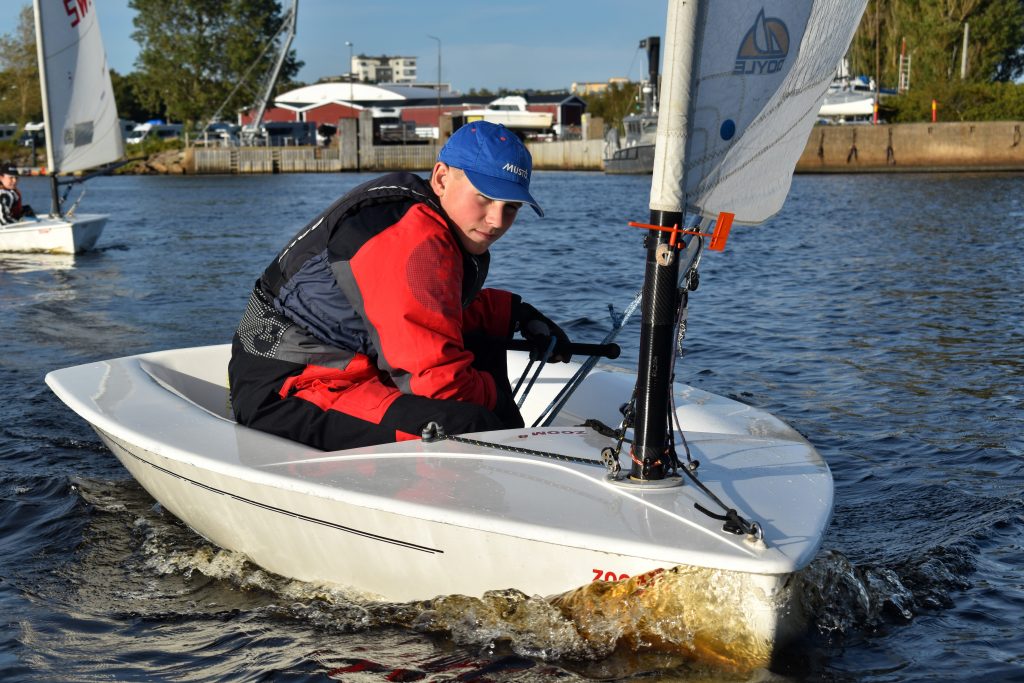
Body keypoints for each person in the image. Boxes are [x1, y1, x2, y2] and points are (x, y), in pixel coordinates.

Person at [229, 121, 572, 451]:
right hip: (288, 387)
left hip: (345, 364)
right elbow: (437, 383)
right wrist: (500, 406)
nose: (497, 221)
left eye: (511, 207)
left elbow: (428, 306)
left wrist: (515, 315)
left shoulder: (426, 218)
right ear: (441, 178)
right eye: (484, 197)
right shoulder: (409, 238)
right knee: (471, 424)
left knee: (486, 350)